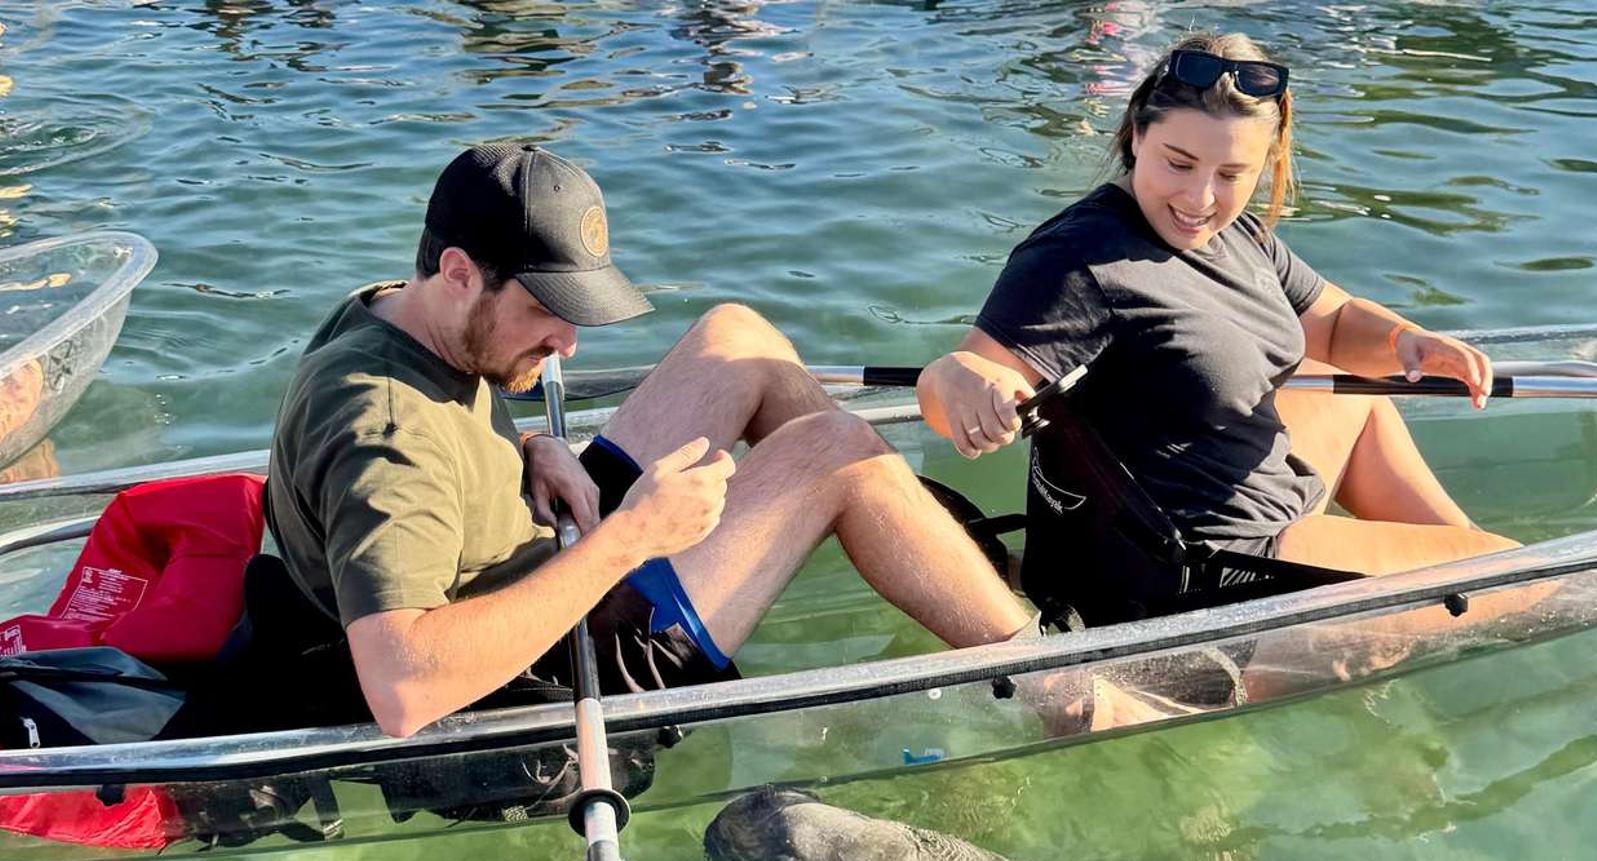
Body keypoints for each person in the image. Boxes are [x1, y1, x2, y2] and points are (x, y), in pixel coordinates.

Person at [263, 144, 1033, 737]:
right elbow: (403, 690)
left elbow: (437, 445)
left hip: (542, 542)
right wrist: (631, 539)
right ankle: (1065, 688)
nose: (567, 344)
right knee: (835, 451)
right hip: (555, 669)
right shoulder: (390, 432)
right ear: (460, 272)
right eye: (547, 311)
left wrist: (522, 448)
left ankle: (935, 561)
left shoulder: (395, 310)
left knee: (738, 339)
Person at [917, 30, 1518, 629]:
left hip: (1261, 498)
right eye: (1178, 163)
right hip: (1211, 569)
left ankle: (1455, 567)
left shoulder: (1240, 235)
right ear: (1135, 133)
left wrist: (1404, 340)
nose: (1200, 198)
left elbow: (1332, 325)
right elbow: (970, 371)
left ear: (1266, 163)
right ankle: (1468, 587)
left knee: (1360, 400)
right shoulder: (1078, 257)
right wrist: (963, 383)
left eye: (1232, 174)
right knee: (1529, 572)